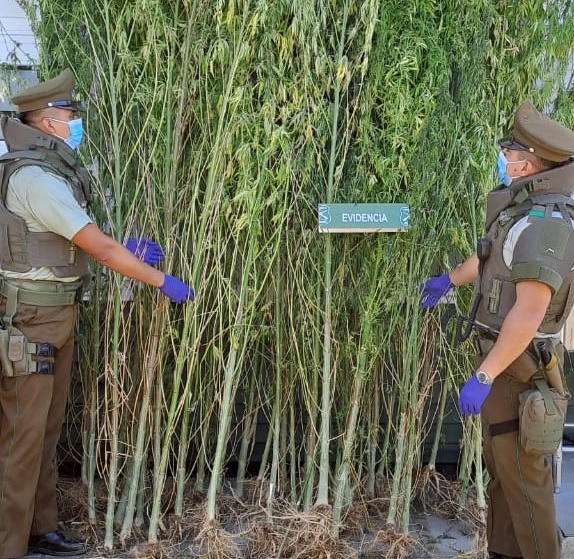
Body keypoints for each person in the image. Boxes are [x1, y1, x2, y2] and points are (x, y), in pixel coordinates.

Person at [0, 69, 194, 559]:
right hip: (33, 323)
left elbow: (67, 244)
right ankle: (8, 545)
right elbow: (99, 249)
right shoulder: (34, 178)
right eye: (71, 116)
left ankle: (38, 532)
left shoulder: (48, 174)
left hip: (55, 318)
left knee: (43, 434)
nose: (76, 123)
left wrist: (124, 250)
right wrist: (159, 281)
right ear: (48, 123)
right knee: (22, 442)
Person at [421, 100, 574, 559]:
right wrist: (449, 278)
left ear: (527, 161)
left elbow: (528, 312)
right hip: (505, 368)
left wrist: (484, 375)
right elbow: (491, 261)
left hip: (519, 371)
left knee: (527, 486)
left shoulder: (545, 226)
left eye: (508, 149)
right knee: (504, 473)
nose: (502, 157)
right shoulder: (519, 214)